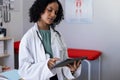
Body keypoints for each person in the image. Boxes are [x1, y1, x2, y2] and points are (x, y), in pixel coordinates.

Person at [18, 0, 82, 80]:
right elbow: (24, 70)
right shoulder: (28, 38)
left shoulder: (58, 35)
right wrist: (46, 65)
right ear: (40, 9)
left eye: (56, 12)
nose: (53, 15)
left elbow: (63, 63)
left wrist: (71, 70)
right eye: (50, 10)